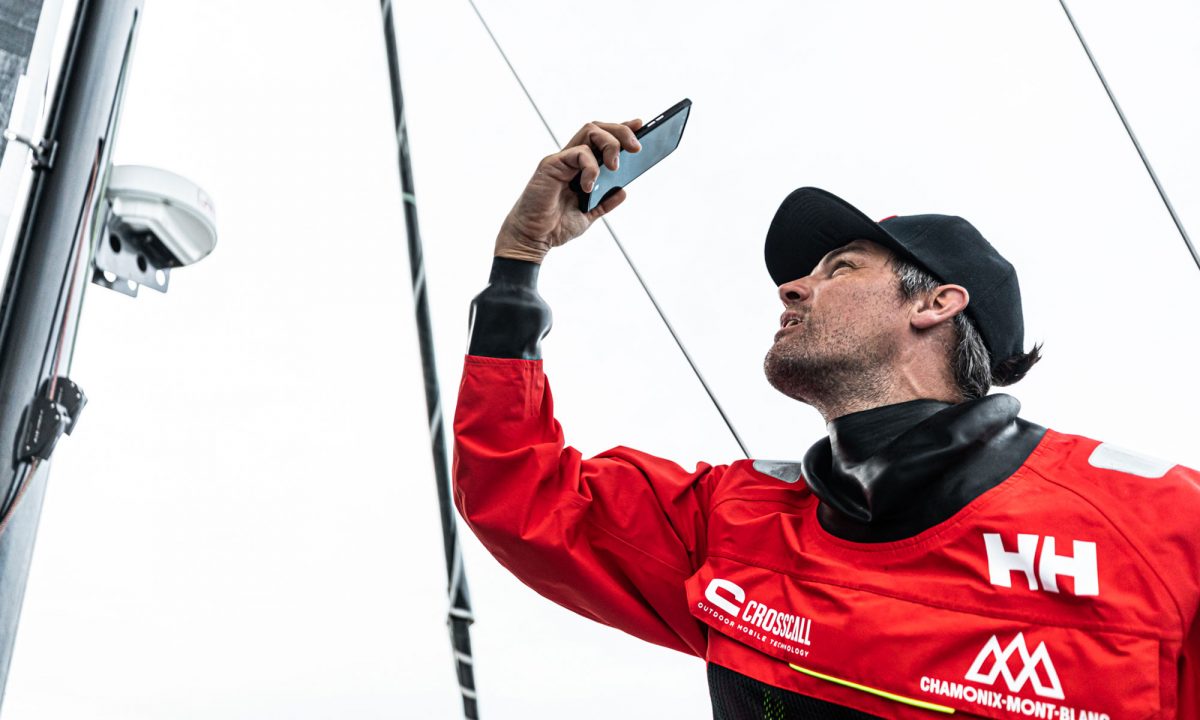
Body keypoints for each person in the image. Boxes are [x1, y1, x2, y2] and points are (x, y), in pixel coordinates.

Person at [452, 119, 1200, 718]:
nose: (791, 289)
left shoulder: (1159, 528)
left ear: (935, 303)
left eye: (839, 268)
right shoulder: (733, 523)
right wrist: (519, 261)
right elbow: (525, 499)